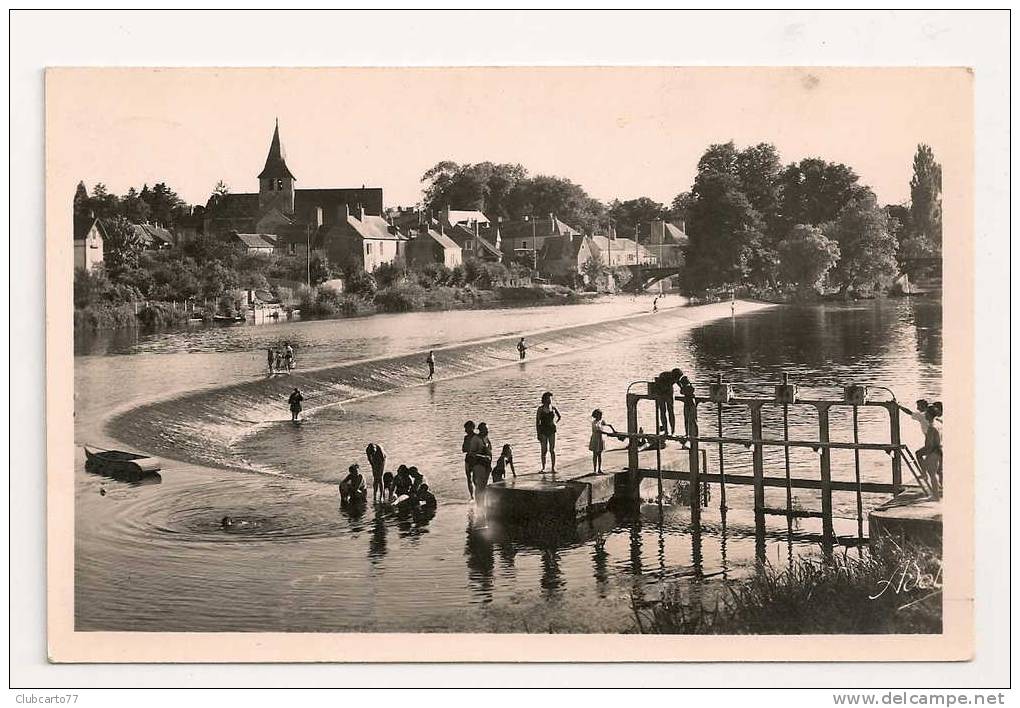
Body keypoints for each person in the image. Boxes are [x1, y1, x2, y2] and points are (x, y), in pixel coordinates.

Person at [898, 399, 932, 465]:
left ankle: (924, 473)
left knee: (918, 454)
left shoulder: (922, 416)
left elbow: (909, 412)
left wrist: (899, 407)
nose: (917, 408)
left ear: (923, 406)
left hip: (931, 440)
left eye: (918, 406)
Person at [535, 391, 562, 473]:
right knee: (544, 450)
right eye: (548, 398)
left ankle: (553, 468)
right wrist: (538, 433)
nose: (550, 400)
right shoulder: (540, 409)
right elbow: (537, 422)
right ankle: (543, 468)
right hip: (543, 431)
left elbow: (559, 417)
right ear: (544, 399)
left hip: (552, 430)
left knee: (552, 450)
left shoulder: (553, 408)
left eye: (550, 398)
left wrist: (555, 423)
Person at [921, 406, 943, 498]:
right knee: (936, 472)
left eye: (926, 413)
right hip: (940, 449)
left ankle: (935, 495)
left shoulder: (931, 427)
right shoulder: (938, 424)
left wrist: (924, 453)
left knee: (932, 474)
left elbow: (929, 445)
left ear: (929, 415)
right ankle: (937, 492)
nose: (924, 414)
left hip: (934, 451)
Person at [589, 409, 618, 474]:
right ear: (596, 416)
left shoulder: (601, 421)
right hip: (595, 439)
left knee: (599, 454)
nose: (601, 416)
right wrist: (607, 433)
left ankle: (599, 469)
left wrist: (614, 431)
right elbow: (599, 431)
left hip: (600, 439)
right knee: (595, 455)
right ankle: (594, 470)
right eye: (600, 415)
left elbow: (609, 425)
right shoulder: (594, 423)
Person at [469, 422, 493, 498]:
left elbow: (490, 451)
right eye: (485, 430)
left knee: (484, 486)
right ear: (480, 430)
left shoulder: (486, 439)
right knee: (479, 486)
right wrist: (483, 457)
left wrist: (489, 465)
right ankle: (479, 504)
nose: (487, 431)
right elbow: (472, 454)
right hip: (478, 465)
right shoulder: (475, 439)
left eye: (487, 430)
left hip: (487, 465)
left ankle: (483, 502)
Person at [462, 421, 477, 499]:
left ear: (472, 428)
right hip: (468, 459)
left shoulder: (477, 437)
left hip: (475, 460)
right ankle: (471, 496)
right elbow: (463, 449)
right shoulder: (466, 437)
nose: (465, 430)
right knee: (469, 478)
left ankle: (478, 494)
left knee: (475, 479)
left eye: (466, 428)